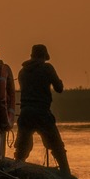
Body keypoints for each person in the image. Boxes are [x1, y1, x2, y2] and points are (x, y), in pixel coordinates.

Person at [14, 43, 71, 171]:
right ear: (44, 56)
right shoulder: (47, 68)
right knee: (57, 147)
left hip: (25, 113)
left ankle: (16, 171)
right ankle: (66, 174)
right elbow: (59, 88)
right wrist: (58, 81)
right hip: (42, 114)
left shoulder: (22, 71)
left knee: (22, 149)